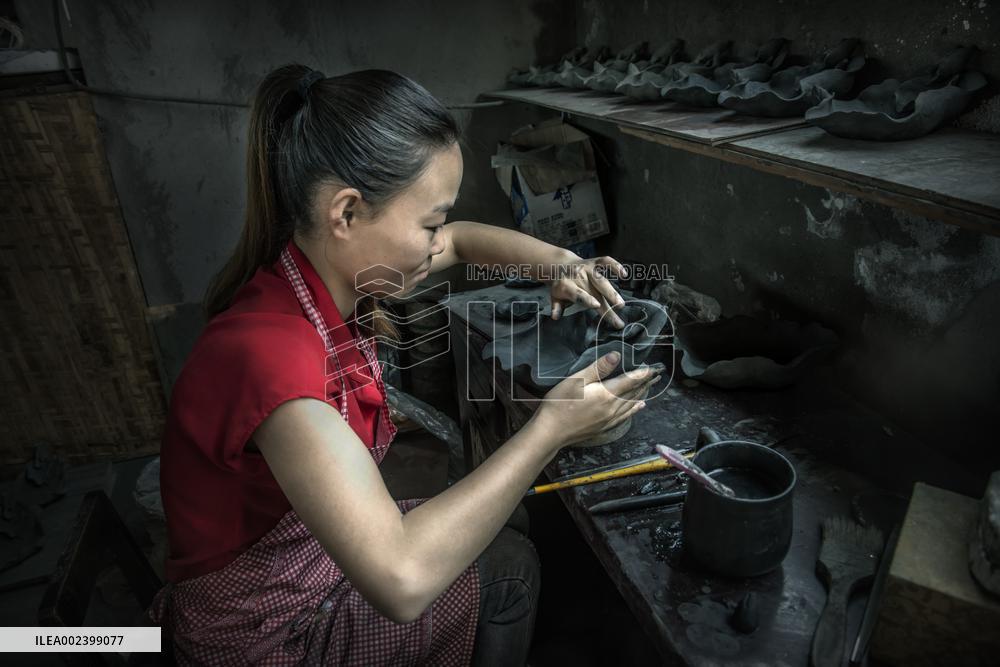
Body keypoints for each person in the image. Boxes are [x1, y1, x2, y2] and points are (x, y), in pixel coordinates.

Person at [151, 64, 662, 666]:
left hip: (303, 555)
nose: (437, 241)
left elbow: (466, 239)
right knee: (511, 568)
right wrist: (551, 429)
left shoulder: (324, 271)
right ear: (346, 213)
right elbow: (400, 581)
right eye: (429, 224)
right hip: (263, 628)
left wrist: (560, 262)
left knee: (513, 521)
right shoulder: (275, 361)